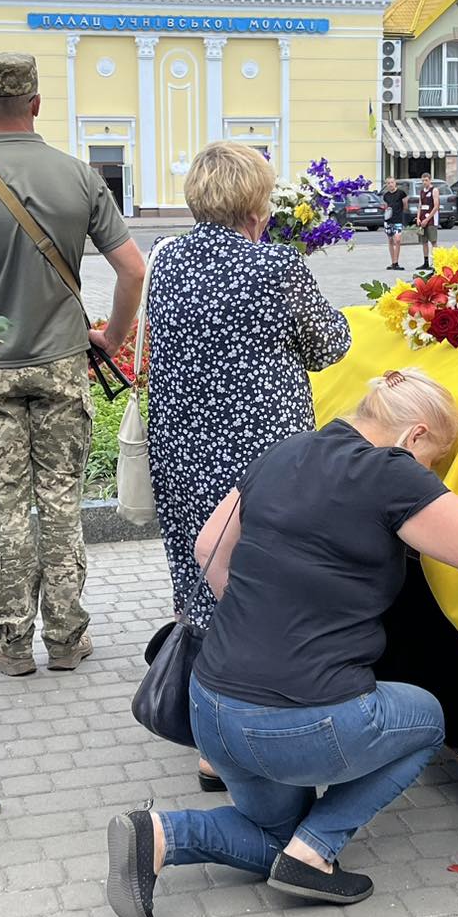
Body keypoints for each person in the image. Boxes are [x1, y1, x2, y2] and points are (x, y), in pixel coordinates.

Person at [105, 372, 458, 917]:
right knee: (428, 717)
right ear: (414, 435)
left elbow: (208, 545)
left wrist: (269, 622)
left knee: (272, 838)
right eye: (433, 462)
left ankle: (158, 834)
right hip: (297, 725)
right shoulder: (392, 472)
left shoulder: (285, 451)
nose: (428, 476)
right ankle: (315, 852)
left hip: (211, 707)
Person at [0, 53, 145, 678]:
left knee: (6, 509)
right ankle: (67, 639)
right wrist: (111, 337)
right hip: (64, 364)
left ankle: (13, 646)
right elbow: (132, 270)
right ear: (38, 104)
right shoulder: (81, 178)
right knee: (62, 503)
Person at [147, 141, 350, 788]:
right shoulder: (277, 267)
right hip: (259, 456)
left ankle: (208, 726)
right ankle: (239, 737)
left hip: (183, 447)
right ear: (258, 205)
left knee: (199, 575)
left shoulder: (166, 258)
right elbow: (329, 346)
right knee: (257, 582)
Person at [380, 177, 408, 270]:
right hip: (388, 220)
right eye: (388, 183)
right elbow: (386, 207)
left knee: (398, 240)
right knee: (390, 240)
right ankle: (393, 262)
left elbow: (405, 206)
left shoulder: (401, 193)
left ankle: (396, 262)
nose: (390, 184)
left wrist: (402, 215)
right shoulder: (386, 195)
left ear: (395, 183)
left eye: (392, 182)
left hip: (398, 220)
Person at [416, 174, 439, 271]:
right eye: (423, 180)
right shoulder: (422, 191)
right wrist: (418, 218)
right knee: (424, 241)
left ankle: (436, 263)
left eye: (426, 180)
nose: (424, 182)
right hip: (422, 218)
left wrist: (427, 219)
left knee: (433, 241)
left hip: (431, 220)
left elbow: (436, 206)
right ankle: (426, 262)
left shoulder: (434, 190)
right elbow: (420, 205)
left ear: (430, 180)